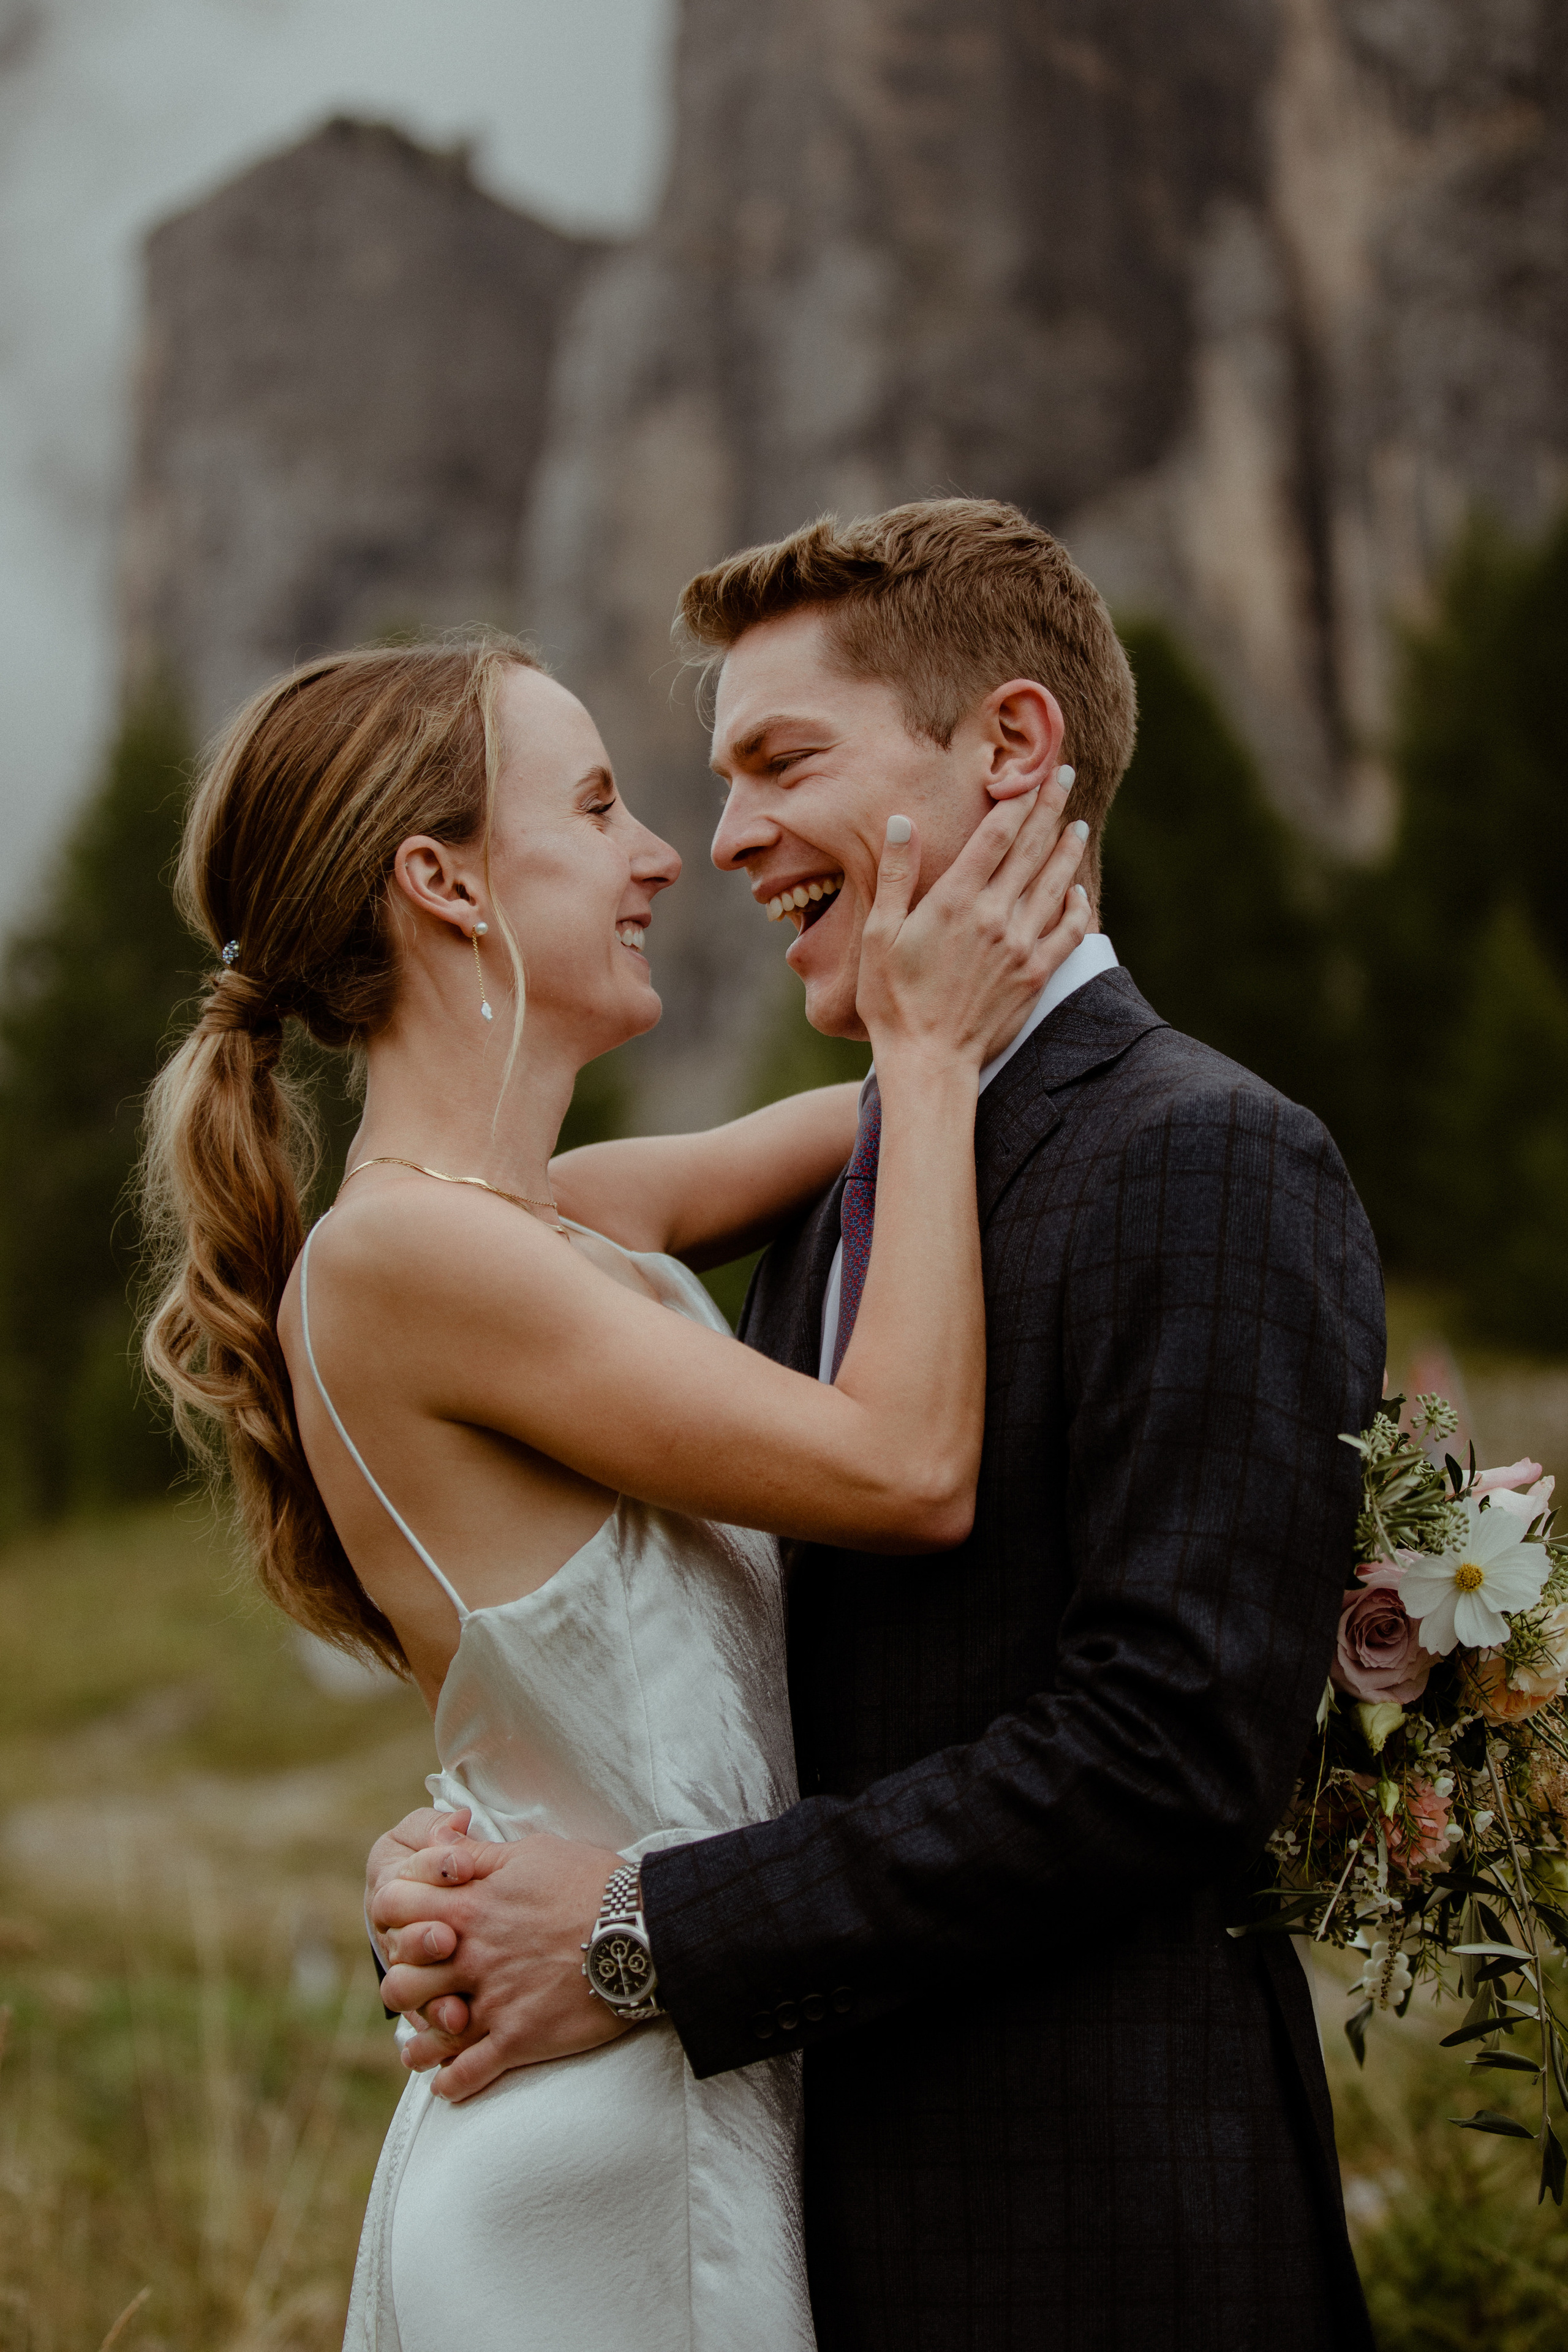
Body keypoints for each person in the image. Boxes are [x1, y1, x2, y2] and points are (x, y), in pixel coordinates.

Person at [371, 502, 1388, 2352]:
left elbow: (1168, 1748)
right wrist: (477, 1846)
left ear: (1009, 749)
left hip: (1093, 2242)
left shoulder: (1209, 1153)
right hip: (782, 2217)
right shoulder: (852, 1194)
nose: (731, 836)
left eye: (784, 761)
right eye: (712, 779)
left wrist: (640, 1930)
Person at [137, 630, 1091, 2352]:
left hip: (671, 2064)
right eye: (593, 806)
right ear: (442, 884)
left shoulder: (549, 1221)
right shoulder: (410, 1262)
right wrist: (935, 1059)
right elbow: (905, 1462)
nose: (663, 853)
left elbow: (878, 1122)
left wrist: (977, 972)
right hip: (614, 2161)